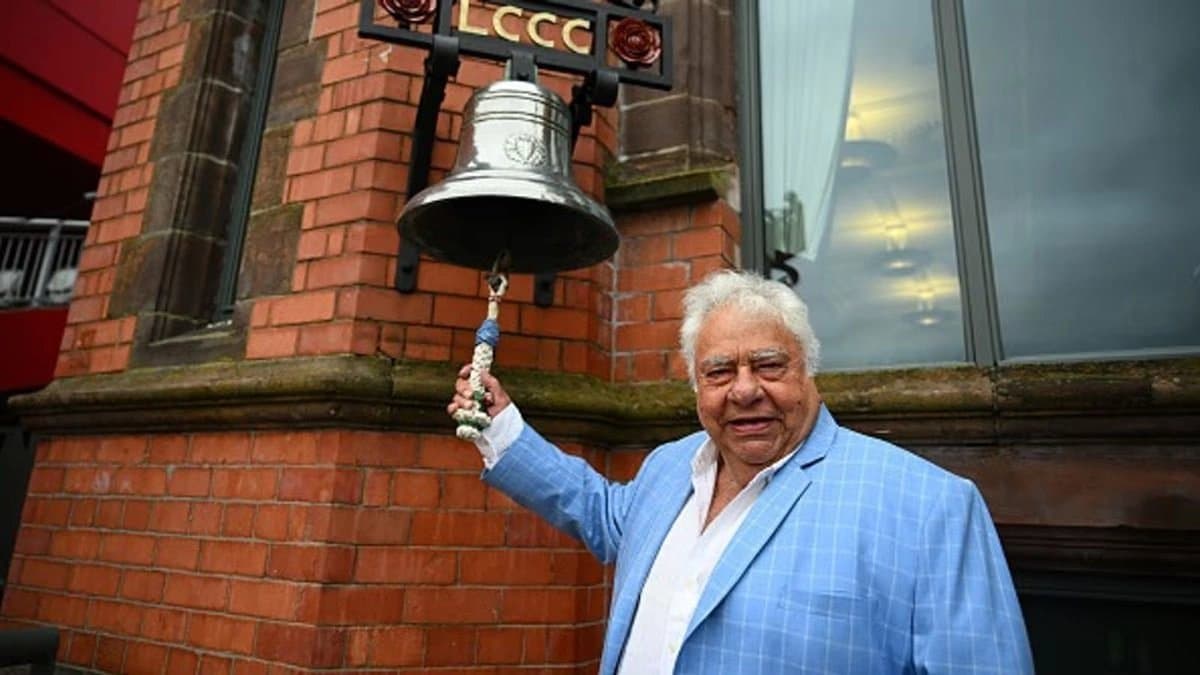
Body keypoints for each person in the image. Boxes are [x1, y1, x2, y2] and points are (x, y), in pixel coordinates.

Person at [448, 270, 1033, 675]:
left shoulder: (931, 507)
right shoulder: (669, 466)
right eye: (720, 371)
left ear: (808, 370)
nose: (745, 390)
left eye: (769, 365)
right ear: (696, 385)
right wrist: (501, 427)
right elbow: (602, 512)